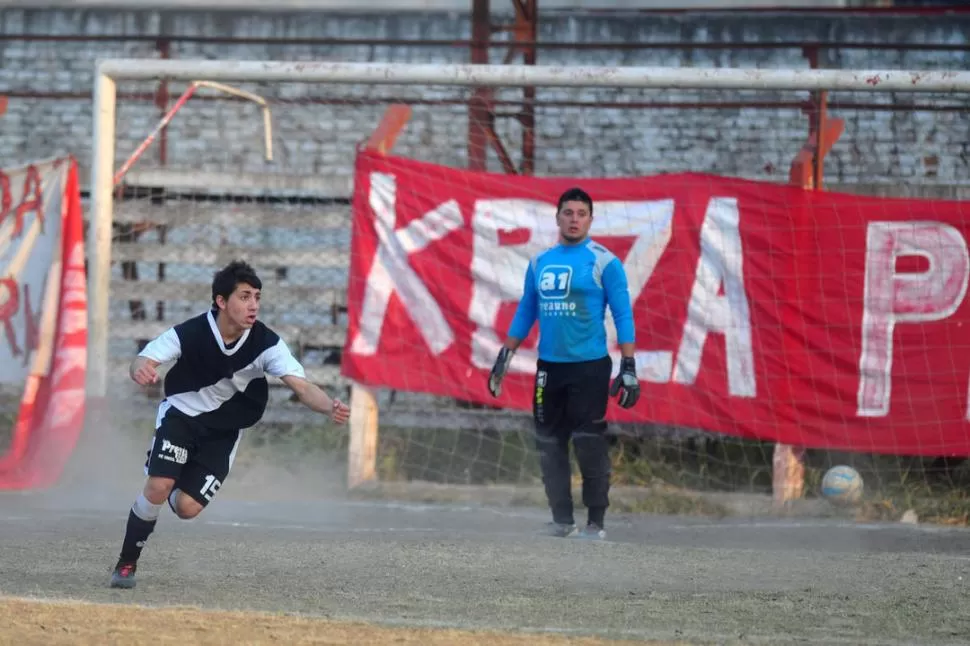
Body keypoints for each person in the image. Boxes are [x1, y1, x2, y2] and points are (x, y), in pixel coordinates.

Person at [109, 260, 351, 589]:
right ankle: (127, 563)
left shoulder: (266, 343)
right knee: (159, 485)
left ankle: (170, 477)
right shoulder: (191, 332)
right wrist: (140, 368)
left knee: (187, 508)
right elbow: (145, 358)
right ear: (221, 301)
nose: (253, 305)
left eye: (257, 297)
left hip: (223, 431)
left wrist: (329, 407)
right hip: (181, 415)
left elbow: (303, 387)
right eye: (244, 296)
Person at [487, 187, 640, 541]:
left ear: (590, 219)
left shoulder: (605, 262)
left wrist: (628, 365)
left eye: (581, 213)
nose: (574, 219)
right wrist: (505, 354)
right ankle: (562, 521)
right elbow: (527, 308)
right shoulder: (540, 262)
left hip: (589, 367)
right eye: (568, 213)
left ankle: (595, 523)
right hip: (549, 369)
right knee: (548, 443)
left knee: (588, 441)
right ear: (557, 218)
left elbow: (622, 313)